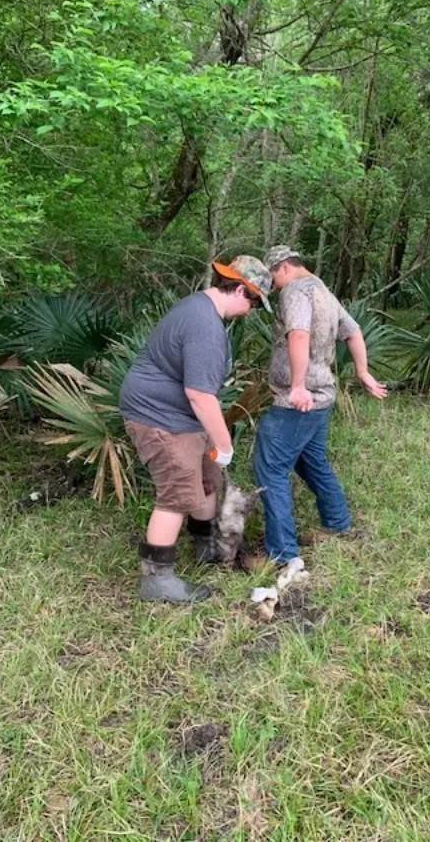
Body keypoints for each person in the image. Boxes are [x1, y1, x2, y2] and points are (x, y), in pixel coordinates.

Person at [120, 256, 272, 603]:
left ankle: (207, 545)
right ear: (238, 289)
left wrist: (215, 449)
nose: (251, 310)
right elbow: (201, 395)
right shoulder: (205, 325)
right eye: (252, 301)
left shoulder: (201, 310)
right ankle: (157, 580)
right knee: (176, 492)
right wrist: (224, 442)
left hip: (182, 415)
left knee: (208, 478)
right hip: (158, 416)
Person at [253, 245, 387, 564]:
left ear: (283, 267)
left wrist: (297, 385)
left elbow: (297, 334)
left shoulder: (295, 292)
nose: (272, 287)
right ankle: (338, 523)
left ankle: (283, 554)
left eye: (272, 278)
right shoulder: (325, 293)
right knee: (310, 460)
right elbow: (353, 332)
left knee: (269, 468)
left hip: (297, 398)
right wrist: (362, 372)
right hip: (323, 395)